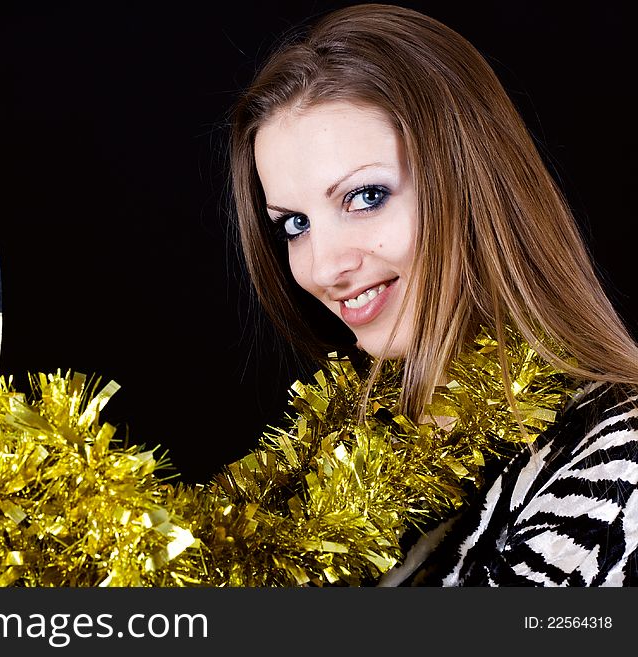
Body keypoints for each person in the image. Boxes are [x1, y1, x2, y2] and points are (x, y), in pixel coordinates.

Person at [228, 3, 637, 585]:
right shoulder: (345, 474)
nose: (325, 267)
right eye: (294, 224)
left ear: (471, 185)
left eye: (366, 196)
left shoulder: (618, 472)